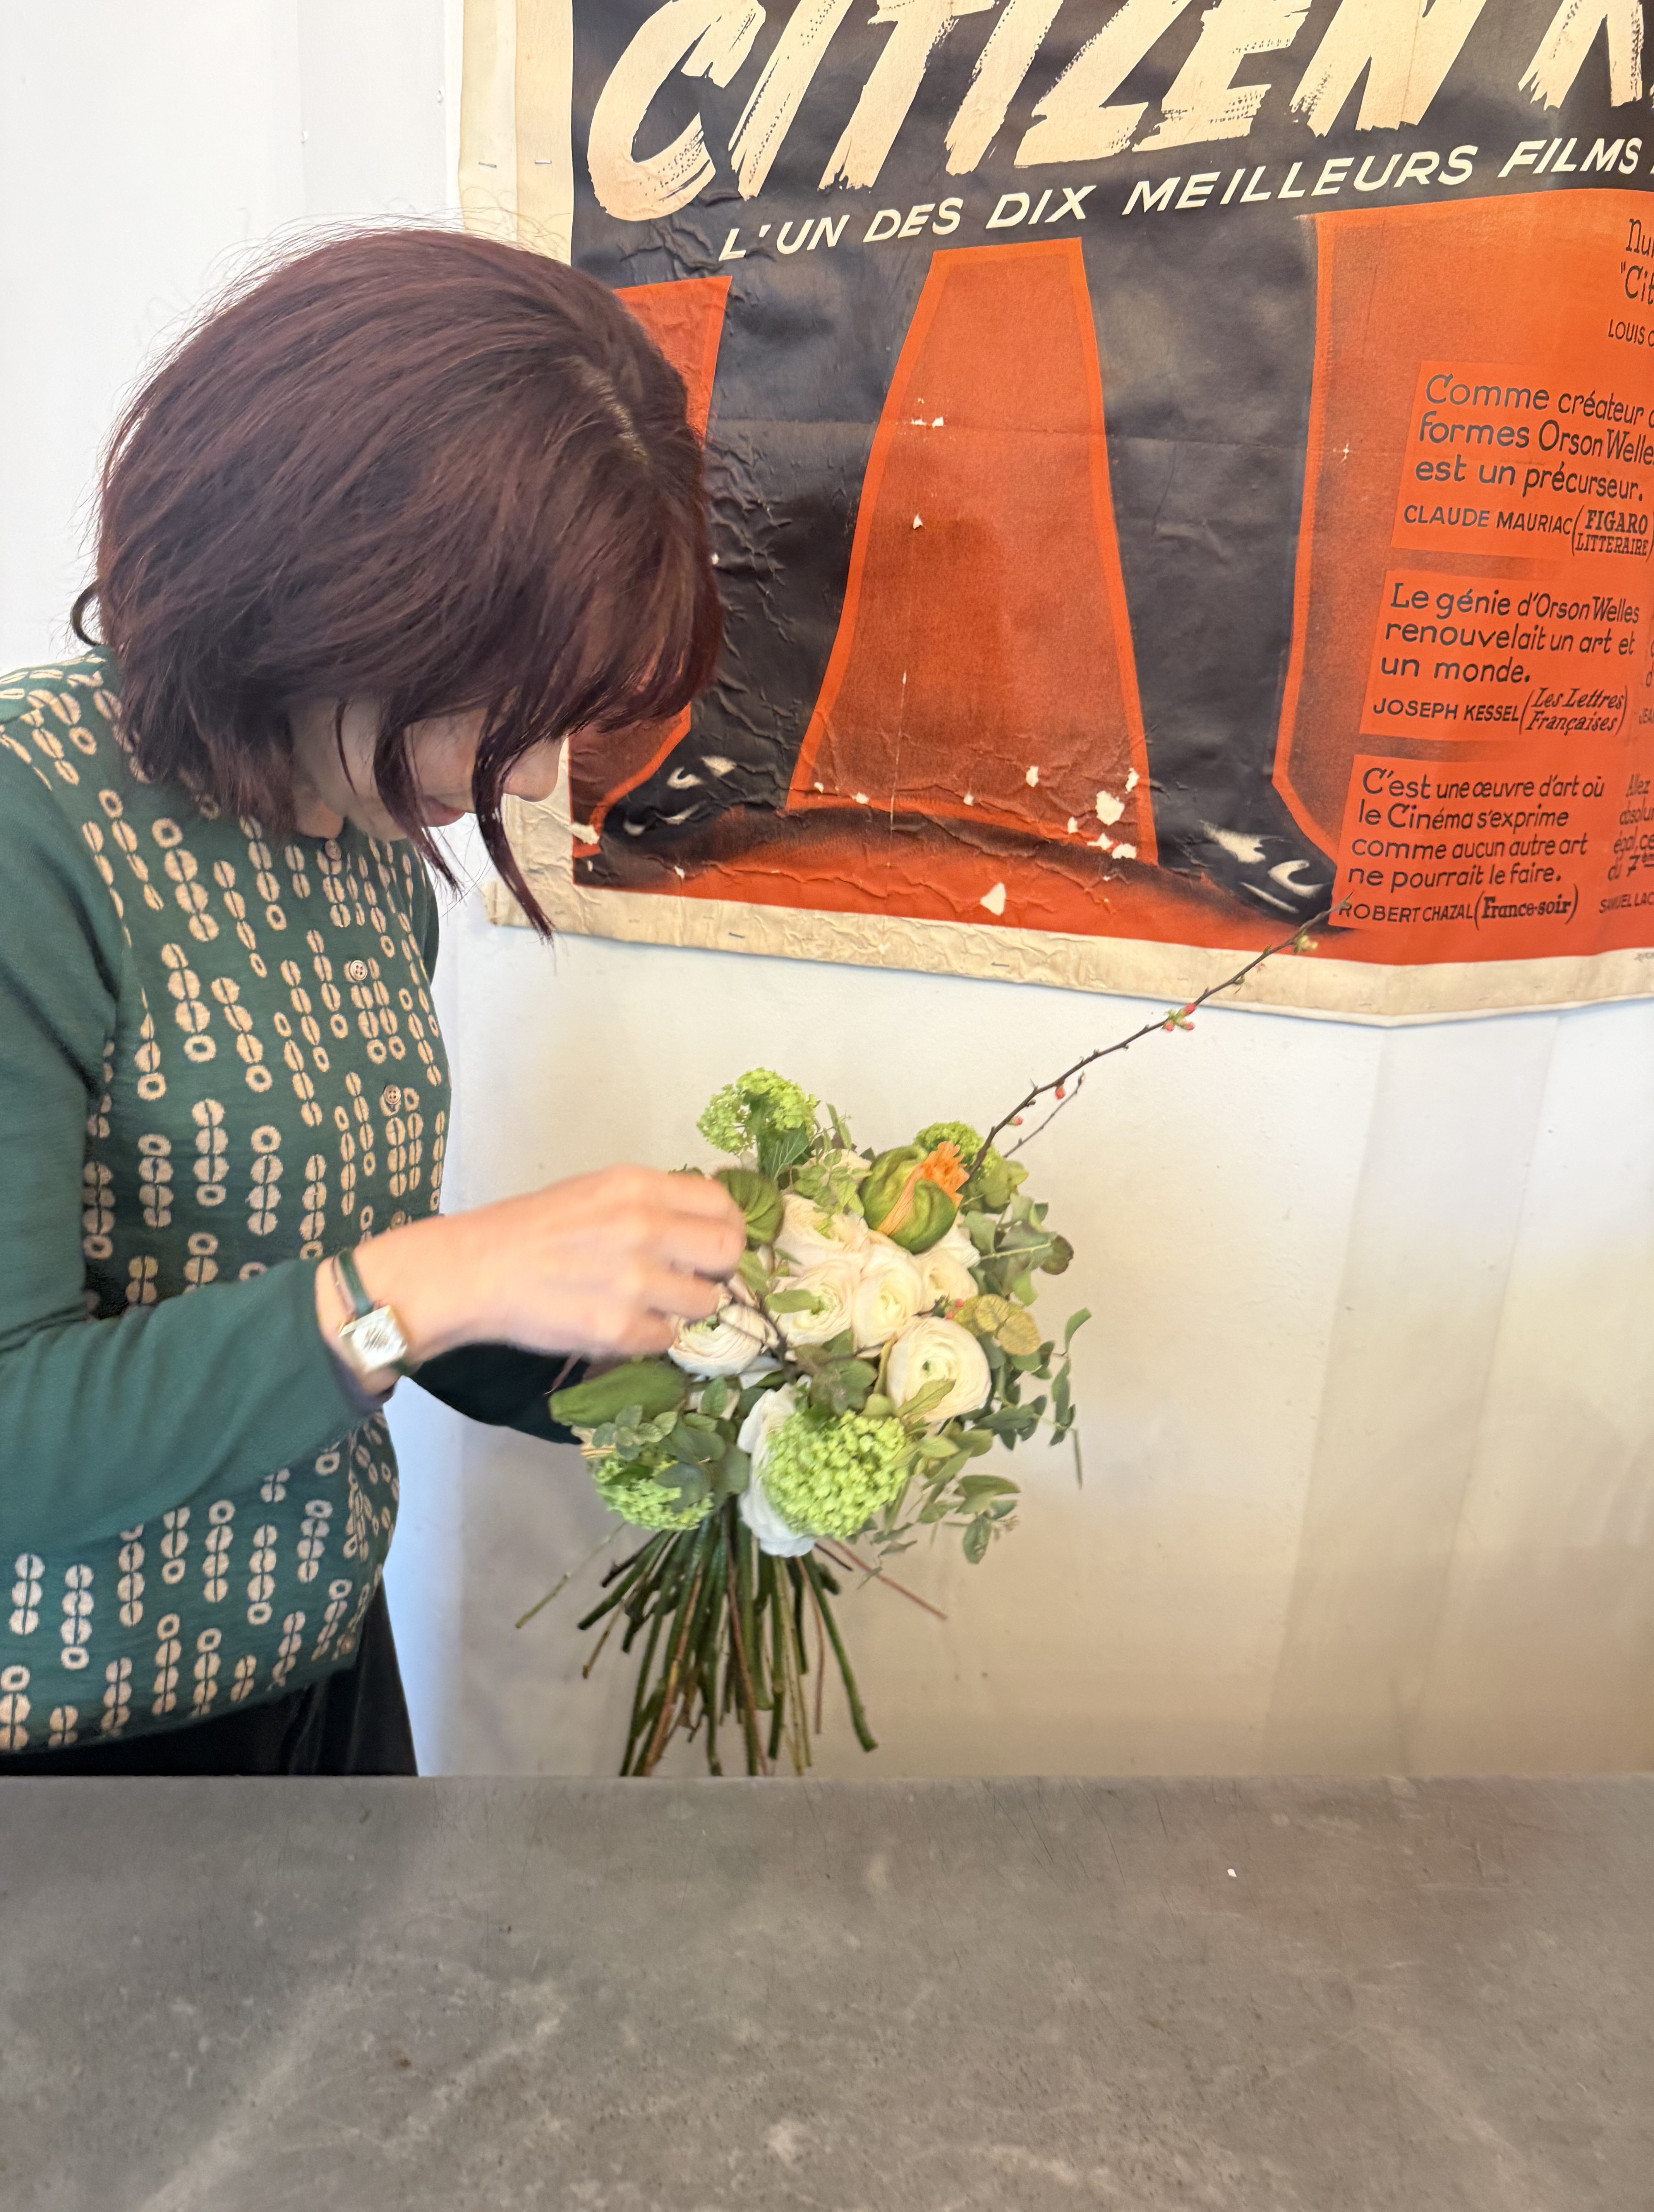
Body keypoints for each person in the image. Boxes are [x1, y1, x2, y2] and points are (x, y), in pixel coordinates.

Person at [0, 230, 746, 1775]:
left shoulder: (361, 854)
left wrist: (684, 1359)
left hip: (321, 1686)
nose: (530, 784)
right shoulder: (31, 831)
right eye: (505, 714)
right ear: (336, 598)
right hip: (66, 1770)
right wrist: (441, 1272)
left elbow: (325, 1288)